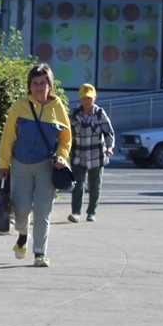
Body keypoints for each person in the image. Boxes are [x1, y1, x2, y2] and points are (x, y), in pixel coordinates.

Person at [0, 63, 72, 267]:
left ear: (50, 85)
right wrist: (3, 163)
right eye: (35, 83)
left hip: (46, 167)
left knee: (42, 211)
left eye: (43, 83)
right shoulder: (19, 107)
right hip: (20, 165)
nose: (39, 87)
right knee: (21, 210)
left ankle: (40, 252)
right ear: (29, 86)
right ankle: (22, 235)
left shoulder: (58, 108)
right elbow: (8, 137)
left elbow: (66, 138)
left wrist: (62, 156)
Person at [67, 83, 115, 223]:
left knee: (95, 185)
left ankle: (91, 212)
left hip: (96, 155)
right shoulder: (74, 114)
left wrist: (109, 147)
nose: (87, 101)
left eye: (89, 98)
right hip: (78, 155)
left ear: (95, 97)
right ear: (80, 99)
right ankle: (75, 213)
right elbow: (67, 134)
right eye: (84, 98)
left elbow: (109, 132)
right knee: (78, 184)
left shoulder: (100, 114)